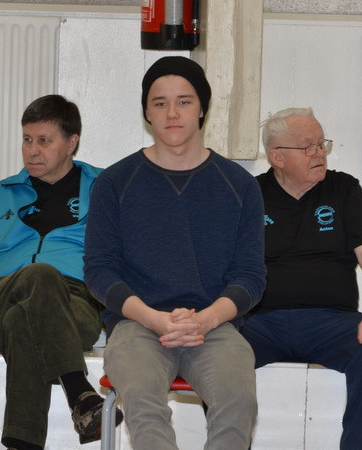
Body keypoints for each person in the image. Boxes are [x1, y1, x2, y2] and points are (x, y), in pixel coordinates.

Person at [83, 56, 267, 449]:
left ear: (202, 108)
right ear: (147, 112)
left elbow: (250, 275)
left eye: (184, 101)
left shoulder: (239, 185)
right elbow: (99, 271)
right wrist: (152, 318)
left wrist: (206, 319)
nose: (172, 113)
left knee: (238, 400)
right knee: (143, 403)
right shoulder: (114, 182)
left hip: (214, 325)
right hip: (137, 324)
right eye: (160, 103)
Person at [0, 95, 121, 450]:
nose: (32, 150)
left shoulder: (104, 188)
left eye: (44, 140)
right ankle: (80, 393)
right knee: (39, 275)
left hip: (75, 306)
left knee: (22, 319)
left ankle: (22, 445)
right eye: (27, 139)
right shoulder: (0, 195)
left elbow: (119, 259)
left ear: (71, 143)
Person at [241, 107, 362, 449]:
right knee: (217, 355)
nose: (319, 153)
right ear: (277, 156)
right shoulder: (250, 194)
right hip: (260, 322)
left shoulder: (344, 189)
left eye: (322, 144)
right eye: (308, 146)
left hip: (333, 322)